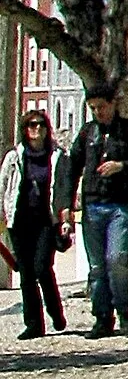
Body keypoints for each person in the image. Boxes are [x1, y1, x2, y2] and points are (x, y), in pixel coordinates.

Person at [60, 84, 128, 338]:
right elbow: (71, 169)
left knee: (117, 258)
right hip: (92, 206)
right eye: (93, 108)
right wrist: (66, 206)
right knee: (96, 267)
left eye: (101, 107)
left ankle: (123, 308)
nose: (98, 112)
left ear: (113, 104)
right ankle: (102, 317)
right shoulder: (87, 133)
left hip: (120, 206)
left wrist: (122, 166)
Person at [1, 110, 68, 338]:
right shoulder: (15, 157)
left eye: (40, 125)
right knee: (27, 273)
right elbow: (2, 187)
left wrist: (66, 218)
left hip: (46, 221)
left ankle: (55, 312)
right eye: (31, 125)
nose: (36, 129)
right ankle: (33, 324)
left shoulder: (57, 156)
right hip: (19, 221)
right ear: (25, 129)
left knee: (42, 267)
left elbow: (64, 188)